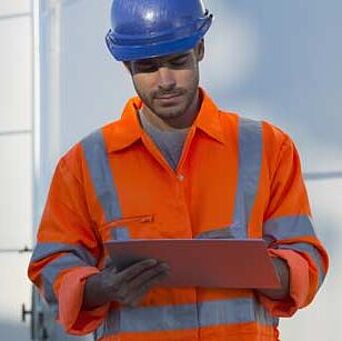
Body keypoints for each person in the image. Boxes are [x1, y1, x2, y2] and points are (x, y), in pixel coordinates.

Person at [28, 0, 329, 340]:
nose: (165, 80)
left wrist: (260, 269)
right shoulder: (84, 163)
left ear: (200, 48)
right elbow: (50, 268)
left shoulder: (268, 147)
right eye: (148, 67)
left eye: (177, 61)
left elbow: (307, 261)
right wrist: (100, 287)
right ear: (127, 66)